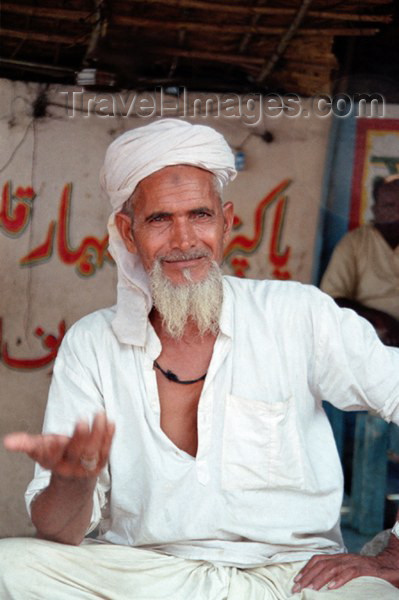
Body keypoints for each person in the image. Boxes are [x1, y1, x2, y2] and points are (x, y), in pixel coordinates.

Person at [1, 119, 399, 599]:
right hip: (150, 575)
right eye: (159, 219)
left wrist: (393, 553)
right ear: (128, 233)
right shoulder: (92, 344)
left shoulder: (297, 313)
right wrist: (72, 479)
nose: (184, 240)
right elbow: (60, 532)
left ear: (227, 221)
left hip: (293, 579)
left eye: (199, 215)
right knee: (12, 565)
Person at [321, 175, 399, 346]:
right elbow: (333, 299)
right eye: (389, 206)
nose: (396, 213)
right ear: (375, 209)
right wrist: (378, 319)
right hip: (373, 339)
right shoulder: (354, 243)